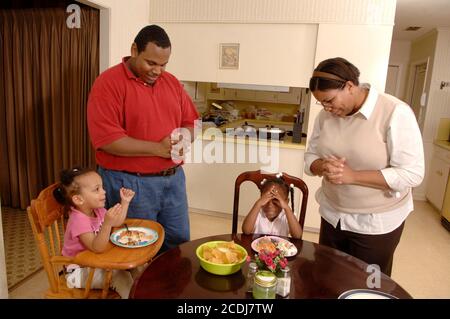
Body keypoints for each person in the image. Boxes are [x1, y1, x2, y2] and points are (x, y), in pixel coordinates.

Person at [304, 57, 425, 276]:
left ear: (350, 86)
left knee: (366, 284)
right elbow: (310, 155)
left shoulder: (395, 112)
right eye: (321, 103)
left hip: (374, 223)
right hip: (333, 215)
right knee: (328, 278)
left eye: (330, 100)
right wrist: (322, 166)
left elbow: (412, 174)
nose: (327, 108)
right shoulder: (325, 116)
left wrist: (353, 176)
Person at [86, 25, 199, 252]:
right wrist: (158, 148)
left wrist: (185, 138)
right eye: (151, 63)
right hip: (130, 184)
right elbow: (107, 140)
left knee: (177, 244)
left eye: (163, 64)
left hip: (173, 180)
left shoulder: (172, 83)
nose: (157, 71)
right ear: (134, 50)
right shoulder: (108, 83)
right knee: (135, 248)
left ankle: (170, 289)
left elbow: (193, 122)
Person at [53, 167, 136, 298]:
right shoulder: (78, 220)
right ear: (79, 199)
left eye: (102, 187)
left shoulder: (97, 210)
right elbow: (97, 247)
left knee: (137, 267)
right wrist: (107, 223)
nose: (104, 192)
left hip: (94, 262)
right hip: (78, 271)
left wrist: (125, 203)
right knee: (121, 277)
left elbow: (117, 222)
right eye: (97, 189)